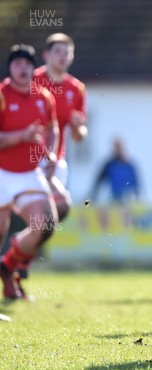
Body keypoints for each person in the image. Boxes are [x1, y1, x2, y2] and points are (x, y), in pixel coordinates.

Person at [0, 44, 59, 300]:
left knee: (46, 224)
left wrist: (52, 153)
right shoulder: (2, 94)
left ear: (34, 68)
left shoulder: (44, 96)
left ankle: (8, 265)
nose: (22, 68)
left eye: (27, 63)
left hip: (28, 173)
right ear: (10, 67)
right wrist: (21, 136)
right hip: (1, 172)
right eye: (17, 63)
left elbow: (53, 128)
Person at [33, 33, 87, 221]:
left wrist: (79, 127)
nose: (62, 56)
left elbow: (78, 136)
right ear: (46, 55)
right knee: (38, 211)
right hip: (28, 158)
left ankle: (26, 247)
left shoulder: (76, 88)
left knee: (54, 215)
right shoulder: (32, 80)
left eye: (67, 53)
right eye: (57, 51)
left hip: (56, 160)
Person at [91, 138, 139, 202]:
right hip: (115, 197)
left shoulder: (130, 166)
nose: (118, 150)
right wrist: (93, 196)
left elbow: (136, 184)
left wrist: (137, 197)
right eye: (116, 147)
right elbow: (98, 181)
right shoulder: (110, 165)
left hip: (128, 197)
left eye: (119, 147)